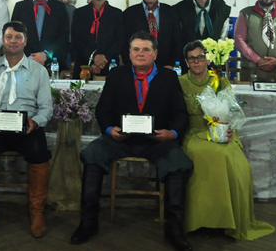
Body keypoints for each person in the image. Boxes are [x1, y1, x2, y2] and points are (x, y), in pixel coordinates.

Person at [71, 32, 194, 251]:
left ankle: (174, 228)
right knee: (91, 155)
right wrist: (110, 130)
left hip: (157, 141)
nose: (140, 54)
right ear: (128, 53)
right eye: (136, 49)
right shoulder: (117, 74)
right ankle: (88, 222)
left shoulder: (169, 78)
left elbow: (181, 114)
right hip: (120, 139)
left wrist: (172, 134)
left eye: (146, 50)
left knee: (179, 163)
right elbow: (102, 110)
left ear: (155, 54)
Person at [178, 40, 275, 241]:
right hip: (193, 133)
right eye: (192, 58)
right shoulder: (179, 83)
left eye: (200, 57)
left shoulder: (220, 81)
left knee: (236, 161)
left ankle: (229, 220)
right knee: (213, 154)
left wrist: (228, 128)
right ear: (187, 62)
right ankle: (201, 219)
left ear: (207, 59)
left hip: (222, 131)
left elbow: (232, 111)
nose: (196, 62)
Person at [0, 21, 53, 238]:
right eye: (9, 37)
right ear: (3, 40)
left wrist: (34, 122)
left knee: (40, 152)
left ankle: (36, 212)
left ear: (25, 41)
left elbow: (46, 107)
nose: (13, 41)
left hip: (27, 127)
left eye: (18, 37)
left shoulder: (39, 71)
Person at [10, 0, 69, 72]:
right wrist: (31, 57)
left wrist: (46, 54)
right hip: (26, 61)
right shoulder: (20, 7)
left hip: (52, 62)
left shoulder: (59, 7)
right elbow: (15, 35)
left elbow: (63, 36)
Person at [174, 0, 231, 67]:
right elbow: (176, 38)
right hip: (187, 64)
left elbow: (223, 39)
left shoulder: (222, 9)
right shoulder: (179, 9)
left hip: (212, 65)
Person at [122, 0, 181, 70]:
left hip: (166, 66)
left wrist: (173, 64)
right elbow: (125, 44)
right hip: (138, 67)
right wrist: (131, 65)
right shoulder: (129, 13)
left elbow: (177, 41)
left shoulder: (171, 12)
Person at [70, 0, 124, 79]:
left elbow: (119, 40)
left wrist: (103, 59)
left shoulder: (116, 14)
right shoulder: (79, 13)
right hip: (84, 64)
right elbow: (76, 40)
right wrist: (93, 57)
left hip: (109, 64)